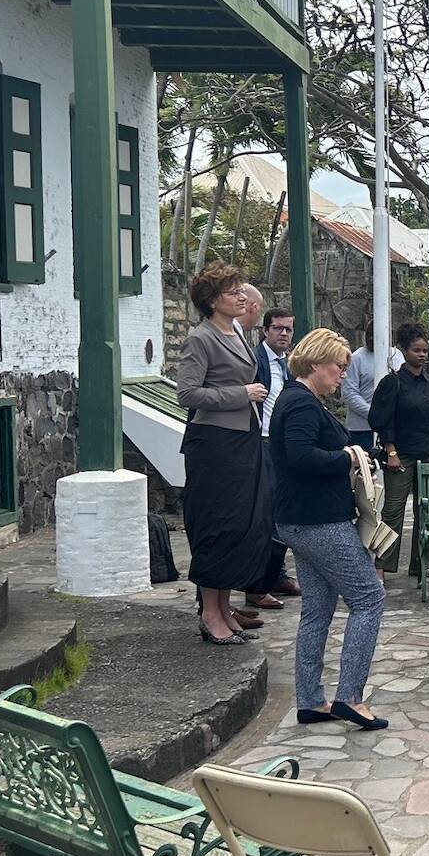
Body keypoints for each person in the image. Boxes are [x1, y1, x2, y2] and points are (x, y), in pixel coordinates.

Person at [268, 328, 389, 731]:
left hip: (300, 519)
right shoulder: (302, 404)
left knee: (317, 610)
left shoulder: (296, 398)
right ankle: (350, 697)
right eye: (338, 367)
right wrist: (348, 459)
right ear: (316, 364)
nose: (342, 375)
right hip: (318, 519)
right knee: (369, 598)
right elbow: (301, 457)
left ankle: (309, 700)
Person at [176, 263, 273, 646]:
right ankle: (209, 612)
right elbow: (187, 394)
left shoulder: (236, 333)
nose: (241, 296)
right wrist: (241, 394)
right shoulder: (200, 338)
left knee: (240, 525)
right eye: (232, 291)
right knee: (217, 525)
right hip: (214, 444)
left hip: (242, 438)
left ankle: (224, 607)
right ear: (212, 300)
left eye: (240, 290)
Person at [370, 323, 429, 579]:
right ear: (405, 351)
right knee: (393, 510)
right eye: (416, 350)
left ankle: (422, 563)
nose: (422, 354)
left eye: (425, 350)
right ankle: (381, 565)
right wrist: (390, 450)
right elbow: (381, 418)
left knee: (427, 511)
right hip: (401, 453)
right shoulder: (393, 383)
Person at [242, 307, 303, 610]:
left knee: (284, 512)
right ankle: (257, 584)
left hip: (282, 445)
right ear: (265, 330)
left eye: (288, 329)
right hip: (260, 442)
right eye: (277, 328)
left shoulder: (291, 365)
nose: (283, 334)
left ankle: (276, 573)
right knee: (266, 515)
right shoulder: (255, 360)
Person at [340, 332, 402, 454]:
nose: (372, 338)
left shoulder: (397, 355)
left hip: (393, 429)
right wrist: (374, 414)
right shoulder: (356, 358)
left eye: (376, 335)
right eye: (369, 335)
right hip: (361, 429)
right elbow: (349, 393)